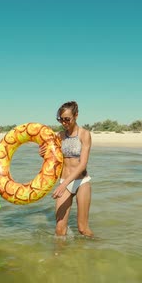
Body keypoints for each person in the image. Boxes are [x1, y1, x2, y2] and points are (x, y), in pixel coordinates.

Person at [40, 101, 94, 238]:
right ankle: (59, 257)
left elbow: (82, 164)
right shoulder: (59, 136)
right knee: (59, 230)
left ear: (76, 115)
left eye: (67, 119)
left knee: (82, 229)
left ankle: (98, 249)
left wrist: (63, 185)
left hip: (81, 182)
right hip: (65, 181)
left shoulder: (84, 134)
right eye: (61, 119)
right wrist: (44, 154)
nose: (64, 123)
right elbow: (54, 161)